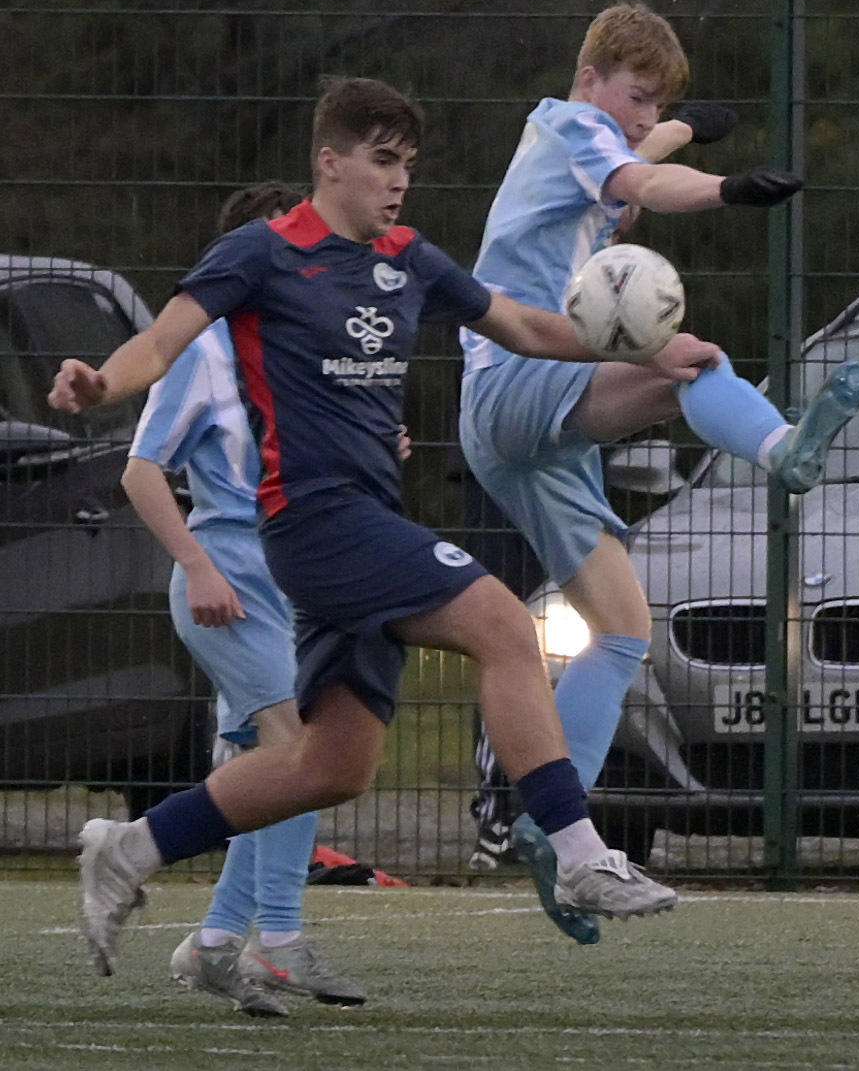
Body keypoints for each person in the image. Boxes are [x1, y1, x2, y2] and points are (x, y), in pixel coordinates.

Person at [48, 76, 724, 978]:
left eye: (405, 163)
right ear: (329, 163)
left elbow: (521, 321)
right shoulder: (261, 252)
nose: (397, 181)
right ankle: (578, 855)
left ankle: (128, 849)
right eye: (379, 161)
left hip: (367, 519)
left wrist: (633, 342)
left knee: (332, 764)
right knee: (499, 626)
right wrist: (101, 381)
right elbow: (164, 341)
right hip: (314, 524)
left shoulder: (407, 256)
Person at [458, 2, 859, 942]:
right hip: (517, 382)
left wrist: (687, 117)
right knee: (687, 358)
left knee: (622, 631)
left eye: (652, 106)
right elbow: (640, 171)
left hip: (519, 423)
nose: (641, 118)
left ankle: (553, 831)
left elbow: (645, 149)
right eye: (635, 97)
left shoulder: (599, 127)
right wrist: (723, 186)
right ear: (592, 77)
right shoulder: (569, 125)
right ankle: (780, 449)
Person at [121, 181, 369, 1015]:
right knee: (300, 752)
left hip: (292, 585)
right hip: (227, 583)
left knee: (280, 767)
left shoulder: (299, 349)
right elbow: (140, 470)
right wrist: (197, 566)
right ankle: (279, 942)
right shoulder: (202, 346)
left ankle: (219, 942)